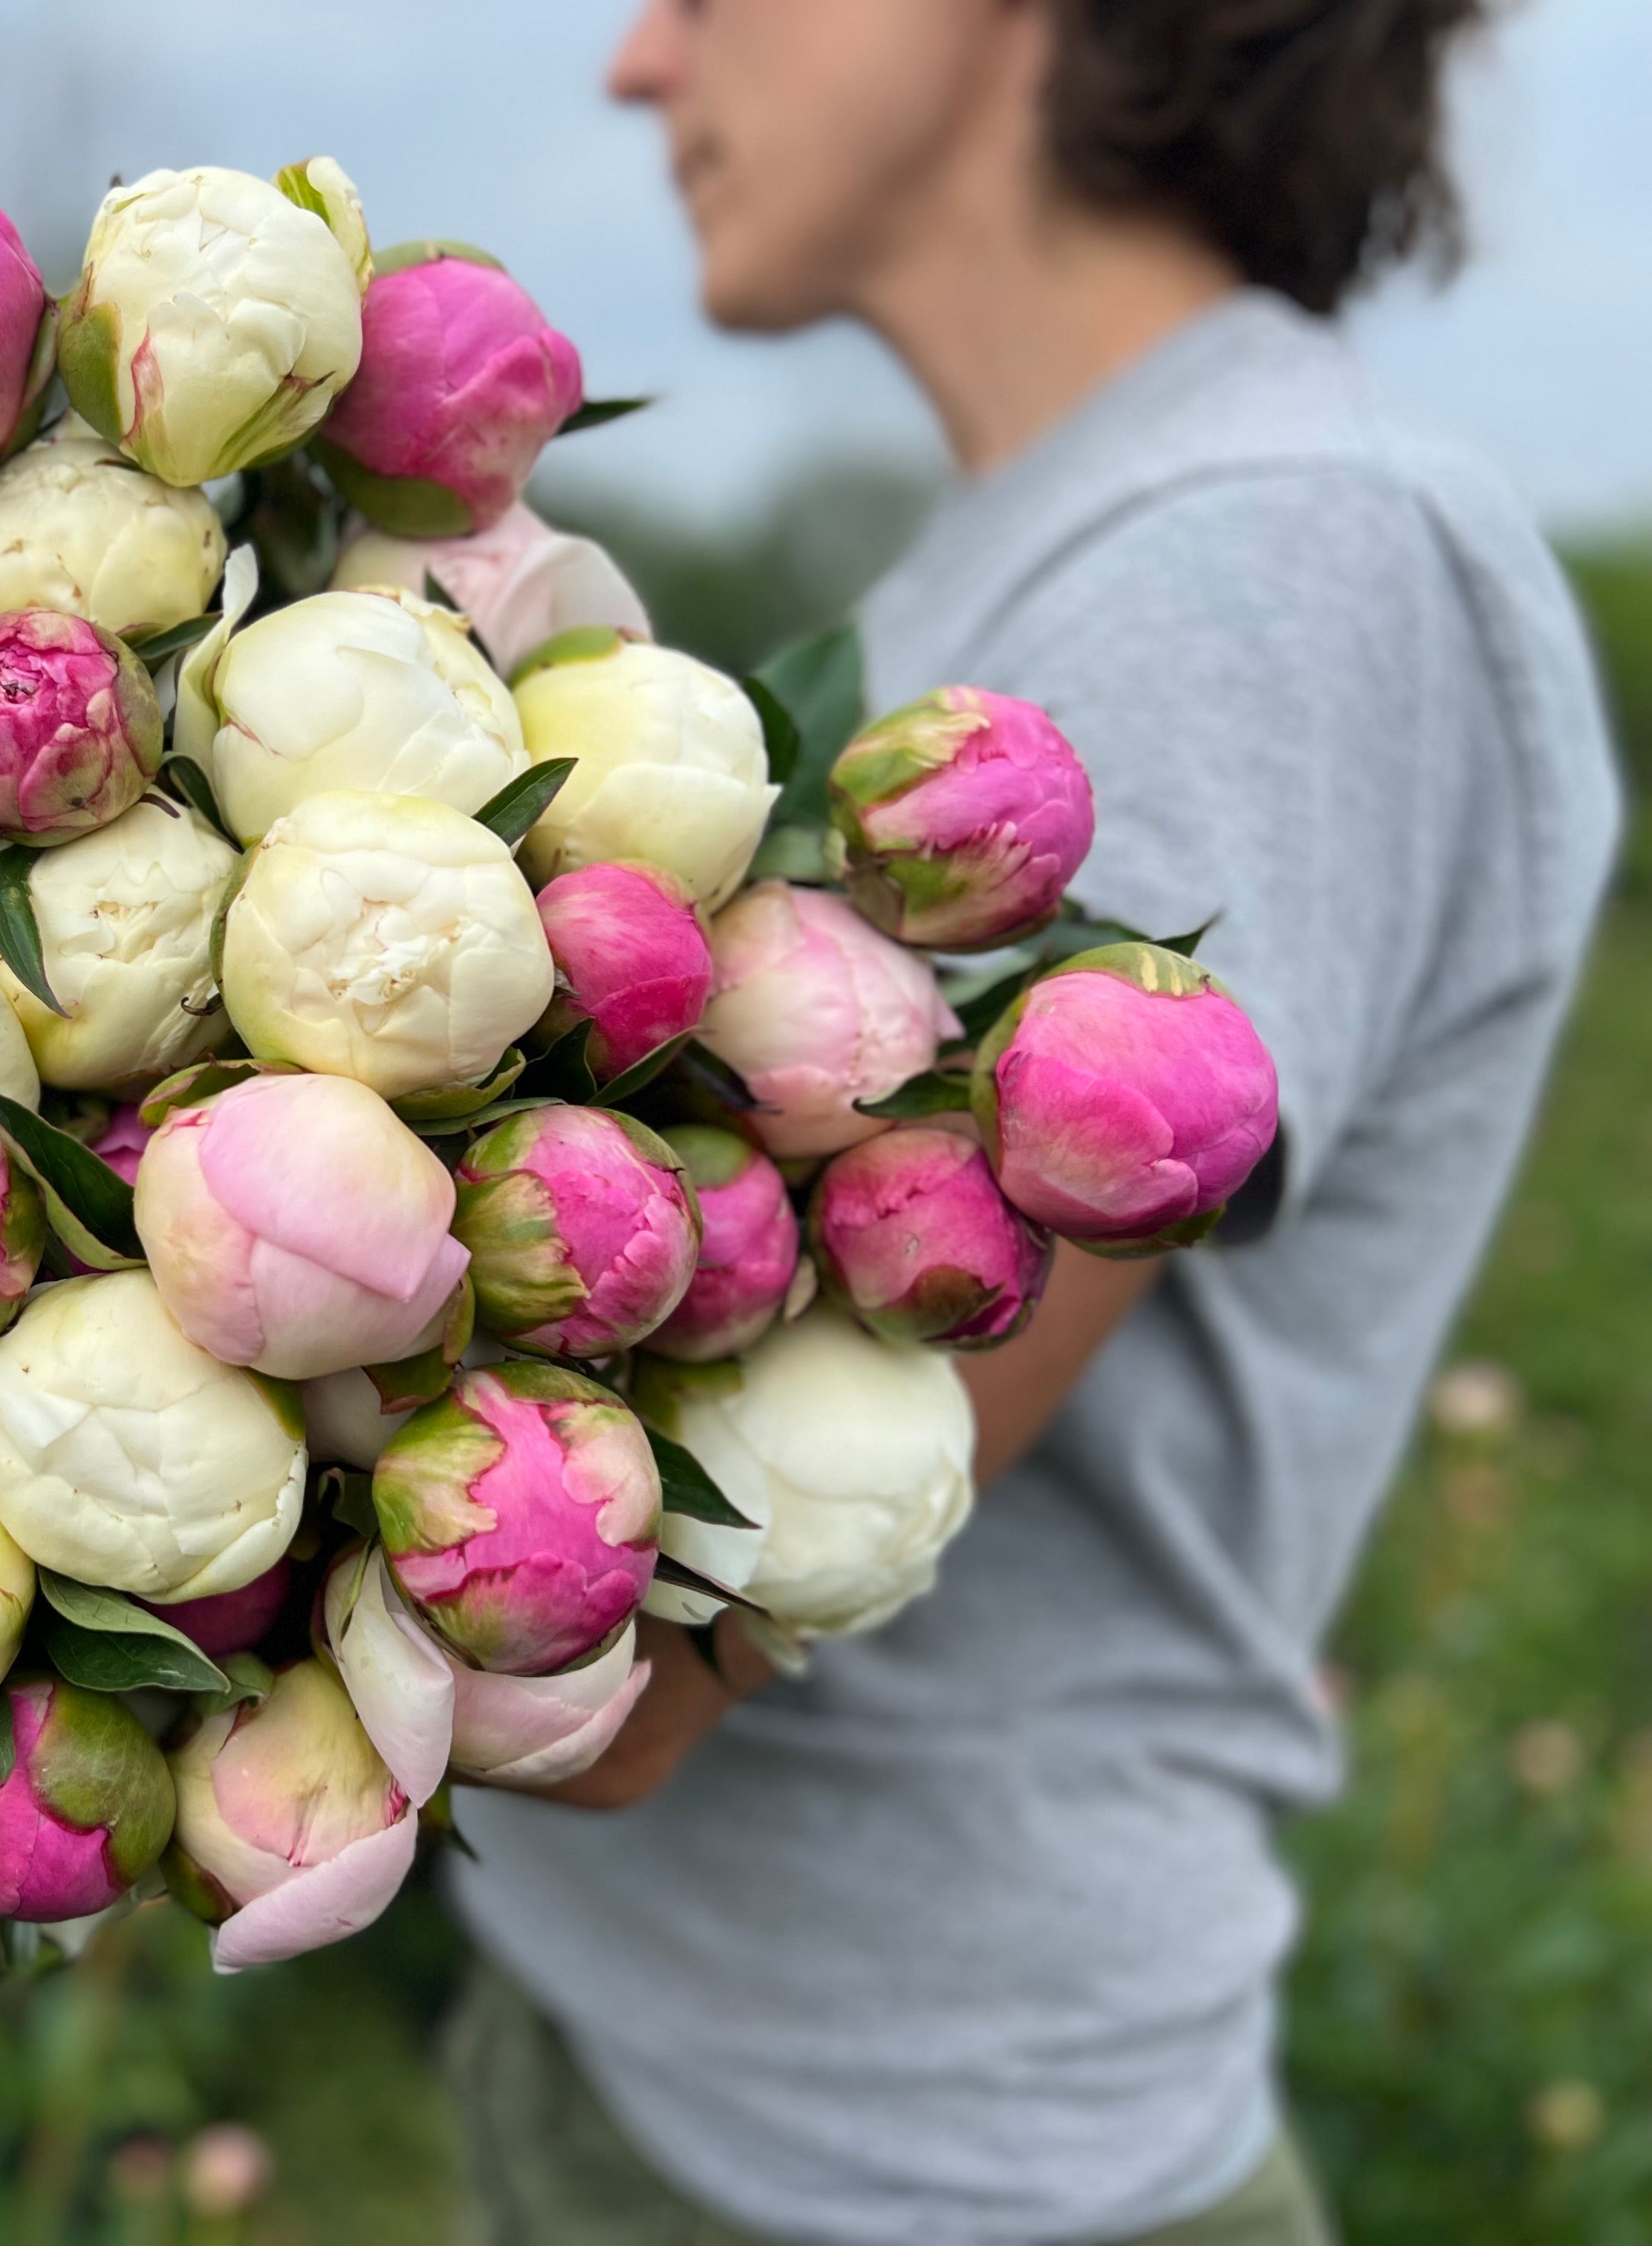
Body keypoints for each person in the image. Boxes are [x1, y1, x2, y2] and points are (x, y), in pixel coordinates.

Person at [446, 2, 1623, 2242]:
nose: (637, 60)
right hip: (694, 2070)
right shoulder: (1073, 544)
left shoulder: (1265, 559)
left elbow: (638, 1648)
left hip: (913, 2161)